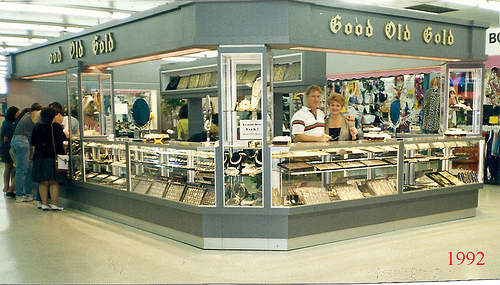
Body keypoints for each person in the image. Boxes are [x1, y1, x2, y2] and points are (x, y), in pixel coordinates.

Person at [31, 107, 66, 211]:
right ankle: (54, 204)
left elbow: (33, 141)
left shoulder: (37, 127)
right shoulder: (55, 127)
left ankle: (44, 204)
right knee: (54, 181)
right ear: (53, 116)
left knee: (43, 182)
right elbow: (63, 138)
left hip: (39, 157)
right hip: (52, 157)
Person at [11, 102, 42, 202]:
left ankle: (28, 193)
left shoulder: (26, 115)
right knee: (22, 169)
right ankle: (19, 195)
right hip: (23, 141)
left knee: (28, 168)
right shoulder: (35, 114)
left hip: (17, 140)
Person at [1, 106, 19, 197]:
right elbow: (6, 138)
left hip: (5, 147)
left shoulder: (5, 122)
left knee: (8, 167)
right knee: (8, 166)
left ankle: (6, 186)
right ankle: (7, 186)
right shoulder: (9, 124)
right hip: (7, 147)